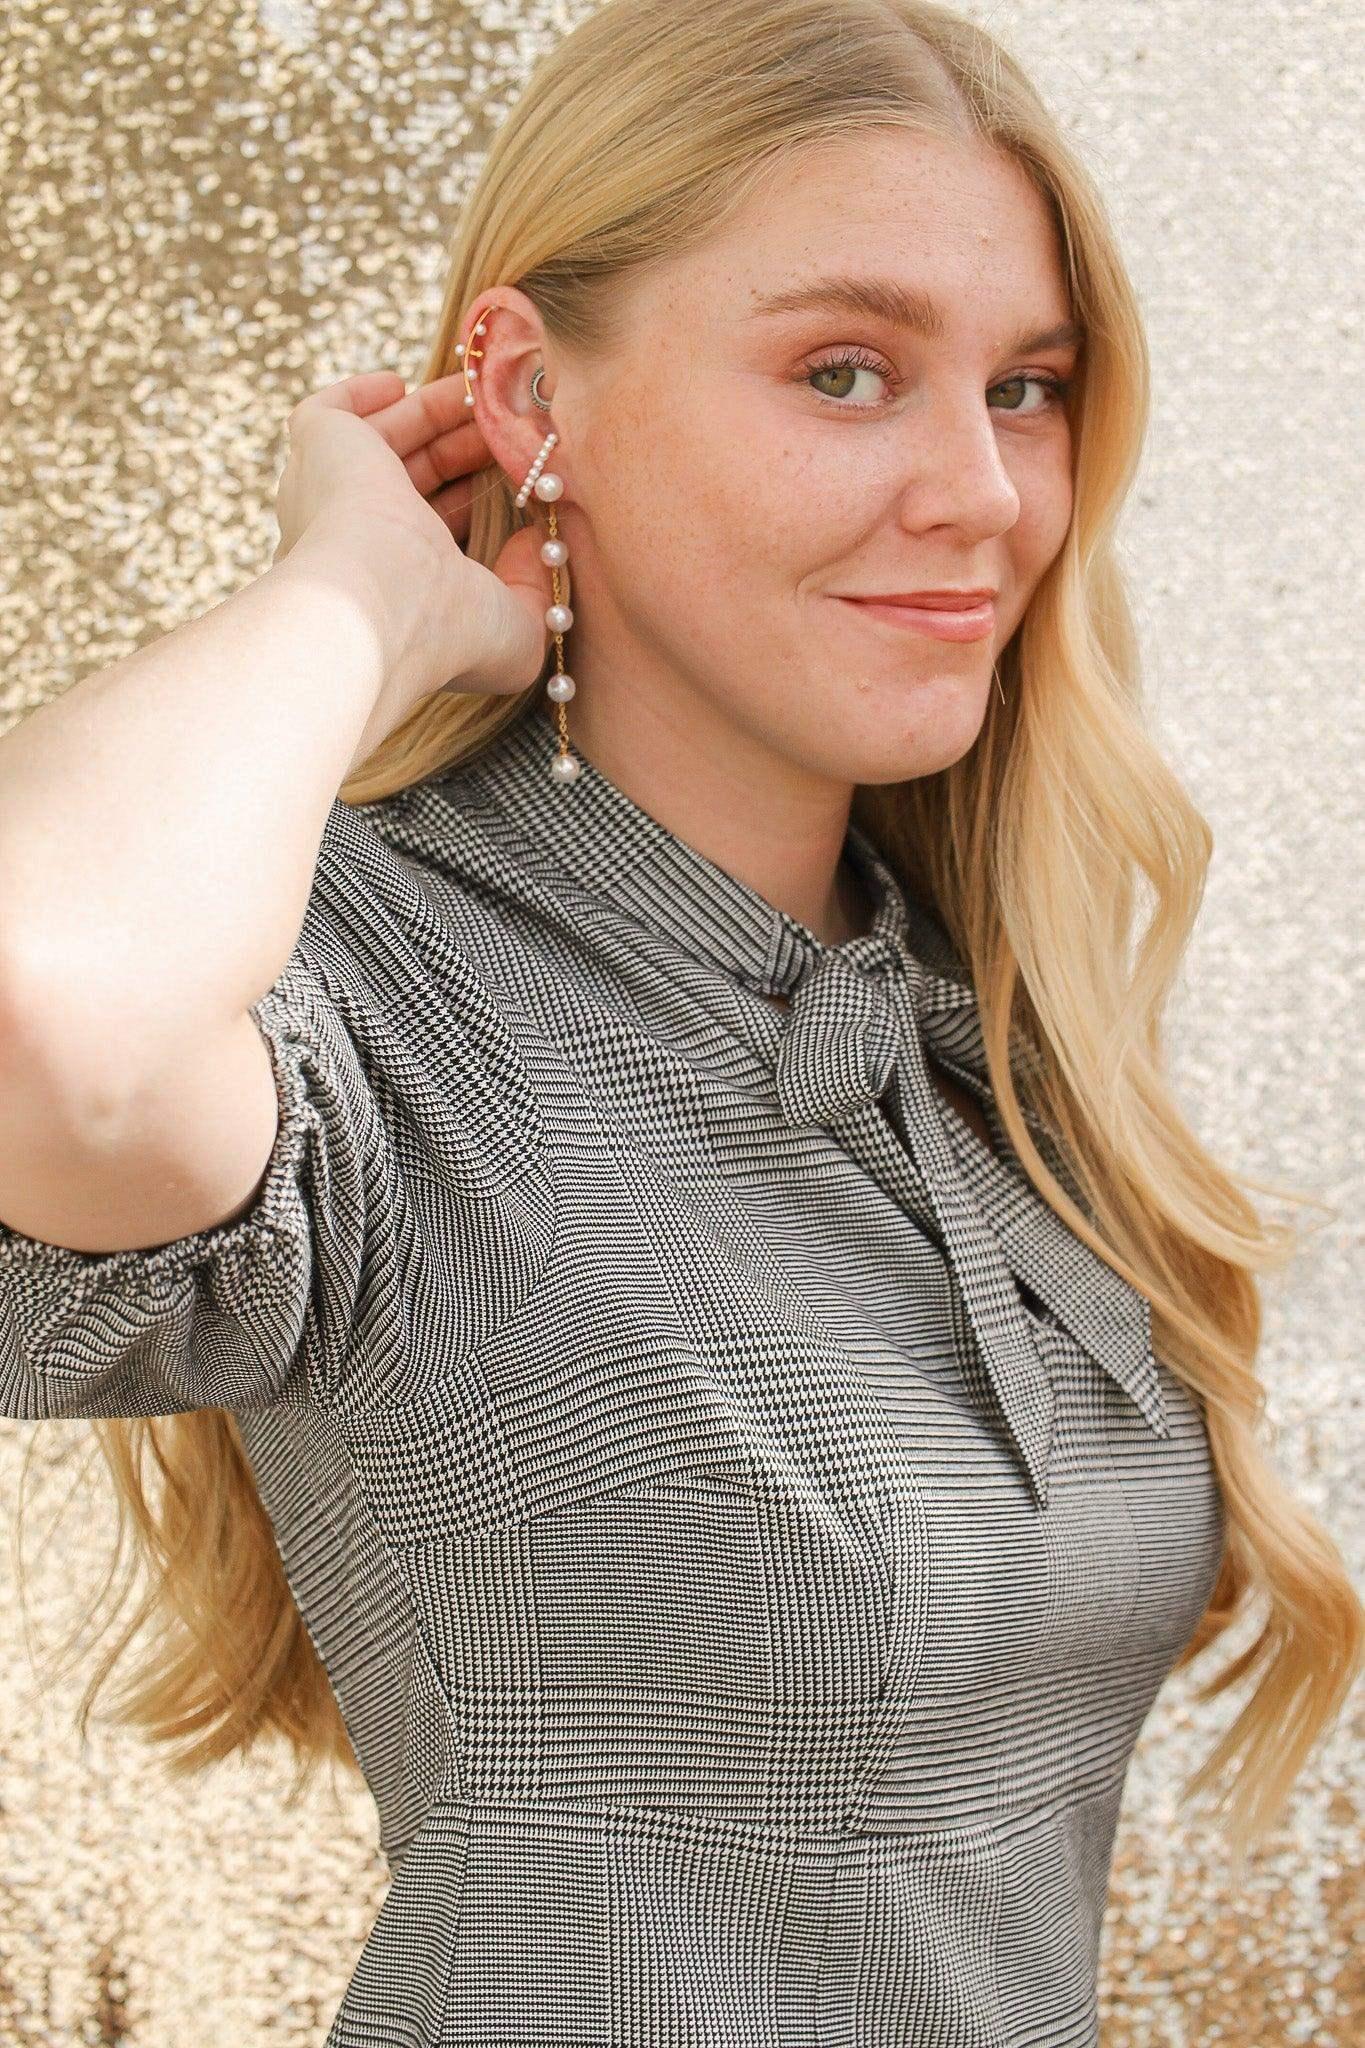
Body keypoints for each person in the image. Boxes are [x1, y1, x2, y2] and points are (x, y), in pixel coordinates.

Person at [0, 1, 1359, 2043]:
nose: (979, 490)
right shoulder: (355, 986)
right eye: (842, 371)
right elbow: (43, 1012)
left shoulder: (978, 1030)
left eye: (1024, 387)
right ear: (530, 391)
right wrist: (365, 598)